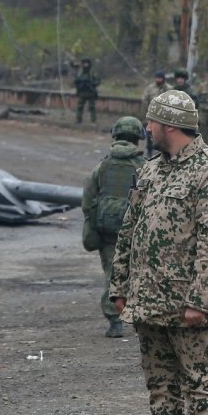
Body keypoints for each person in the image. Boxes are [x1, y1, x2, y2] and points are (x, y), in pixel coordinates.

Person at [109, 89, 208, 415]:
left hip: (186, 302)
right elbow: (130, 230)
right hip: (148, 299)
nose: (145, 128)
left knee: (198, 380)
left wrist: (201, 300)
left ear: (168, 125)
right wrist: (120, 284)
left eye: (150, 122)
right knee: (160, 380)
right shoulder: (150, 171)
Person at [82, 116, 146, 338]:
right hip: (137, 232)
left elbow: (88, 199)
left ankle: (115, 323)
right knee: (142, 274)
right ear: (138, 139)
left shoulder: (102, 165)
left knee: (112, 274)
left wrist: (94, 225)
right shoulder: (144, 167)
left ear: (115, 136)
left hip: (108, 231)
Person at [141, 71, 168, 158]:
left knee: (165, 135)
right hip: (152, 115)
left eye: (160, 78)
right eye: (157, 78)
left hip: (164, 116)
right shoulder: (150, 88)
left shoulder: (168, 88)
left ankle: (164, 152)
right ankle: (149, 151)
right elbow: (144, 100)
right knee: (150, 134)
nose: (158, 80)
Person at [74, 57, 101, 123]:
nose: (85, 65)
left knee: (92, 107)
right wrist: (80, 85)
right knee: (80, 106)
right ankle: (78, 119)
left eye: (86, 63)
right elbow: (76, 81)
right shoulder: (80, 72)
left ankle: (93, 120)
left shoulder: (92, 72)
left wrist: (92, 83)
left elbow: (98, 81)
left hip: (90, 92)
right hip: (82, 92)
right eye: (83, 63)